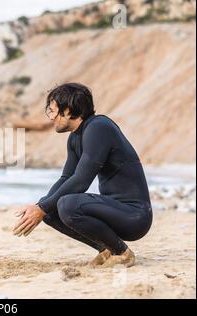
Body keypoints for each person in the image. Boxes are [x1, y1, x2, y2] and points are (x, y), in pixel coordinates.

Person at [13, 83, 153, 267]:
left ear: (68, 110)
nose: (51, 117)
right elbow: (66, 178)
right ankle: (107, 250)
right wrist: (41, 206)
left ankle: (122, 253)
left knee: (65, 203)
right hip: (116, 212)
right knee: (51, 206)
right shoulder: (75, 137)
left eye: (53, 111)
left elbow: (81, 180)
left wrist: (42, 208)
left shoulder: (99, 127)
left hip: (134, 216)